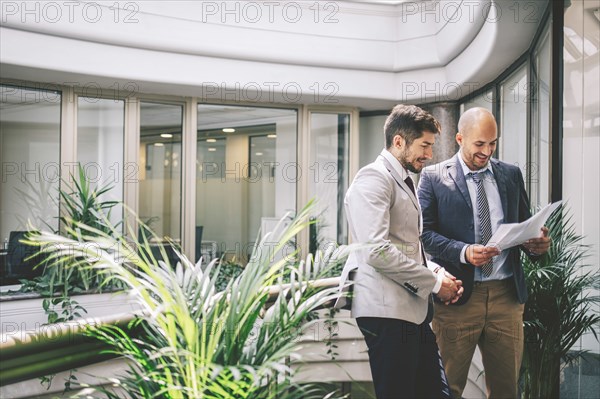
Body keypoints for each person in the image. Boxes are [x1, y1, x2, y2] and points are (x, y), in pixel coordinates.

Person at [417, 107, 551, 399]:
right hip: (457, 299)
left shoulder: (511, 175)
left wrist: (536, 245)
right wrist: (464, 252)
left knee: (506, 390)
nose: (487, 151)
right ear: (459, 138)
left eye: (493, 143)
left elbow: (525, 226)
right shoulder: (433, 177)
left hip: (506, 297)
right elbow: (423, 236)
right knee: (448, 388)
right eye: (480, 144)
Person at [340, 104, 463, 399]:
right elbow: (376, 250)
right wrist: (434, 284)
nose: (429, 154)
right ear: (399, 141)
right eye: (424, 145)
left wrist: (437, 273)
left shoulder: (403, 180)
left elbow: (406, 245)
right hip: (387, 314)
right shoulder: (373, 178)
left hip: (412, 313)